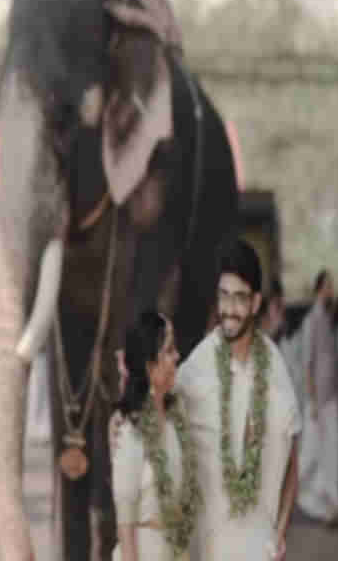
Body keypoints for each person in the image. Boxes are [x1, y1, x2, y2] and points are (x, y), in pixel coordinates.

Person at [173, 239, 301, 561]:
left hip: (259, 546)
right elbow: (158, 418)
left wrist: (280, 534)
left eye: (240, 298)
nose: (229, 309)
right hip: (209, 547)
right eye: (223, 296)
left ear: (256, 303)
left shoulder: (274, 367)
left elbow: (292, 459)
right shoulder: (198, 365)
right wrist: (120, 422)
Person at [113, 311, 201, 561]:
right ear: (151, 367)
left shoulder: (177, 416)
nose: (177, 356)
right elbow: (125, 519)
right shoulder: (131, 431)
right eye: (170, 350)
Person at [296, 271, 338, 527]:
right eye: (328, 286)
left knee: (331, 452)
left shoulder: (329, 320)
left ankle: (329, 505)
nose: (331, 290)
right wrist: (313, 400)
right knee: (311, 452)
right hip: (317, 399)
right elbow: (307, 363)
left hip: (331, 399)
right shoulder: (311, 321)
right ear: (319, 288)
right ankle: (297, 495)